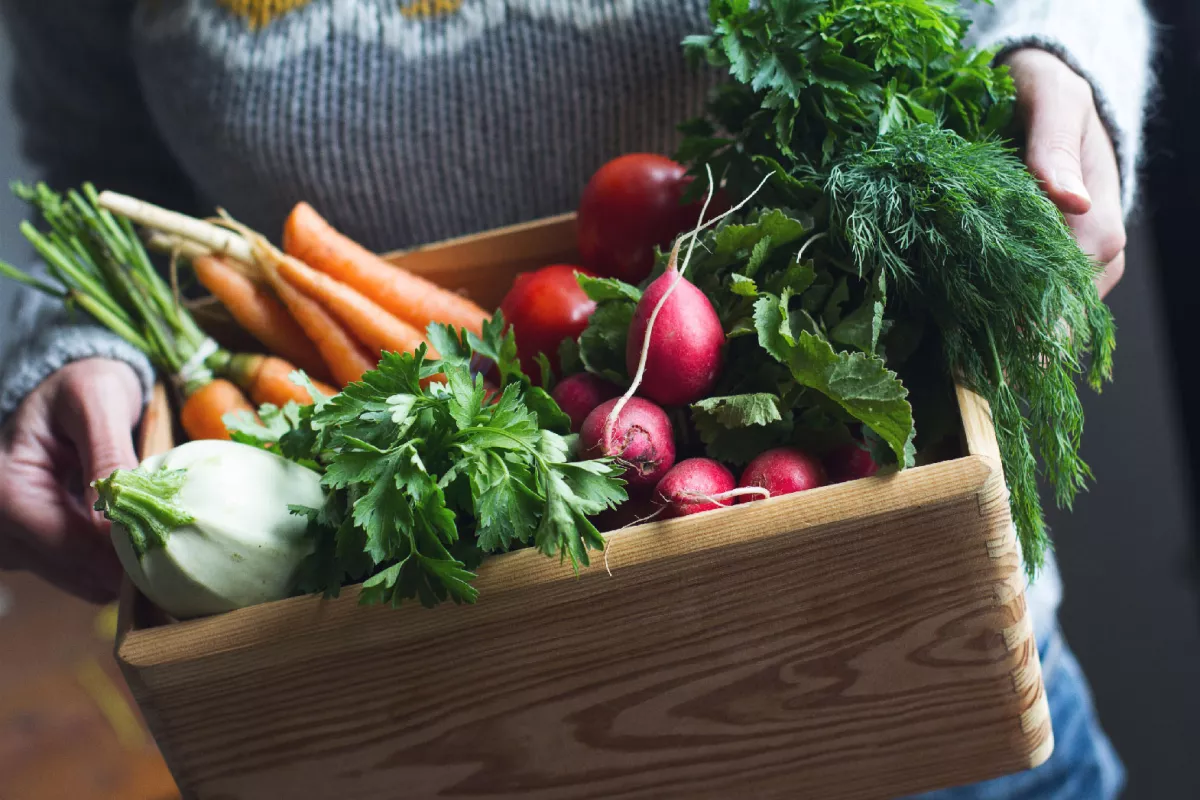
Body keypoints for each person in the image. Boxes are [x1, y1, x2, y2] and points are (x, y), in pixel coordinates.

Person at [0, 2, 1153, 797]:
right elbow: (96, 153)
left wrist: (1056, 72)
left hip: (900, 672)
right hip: (401, 730)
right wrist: (86, 340)